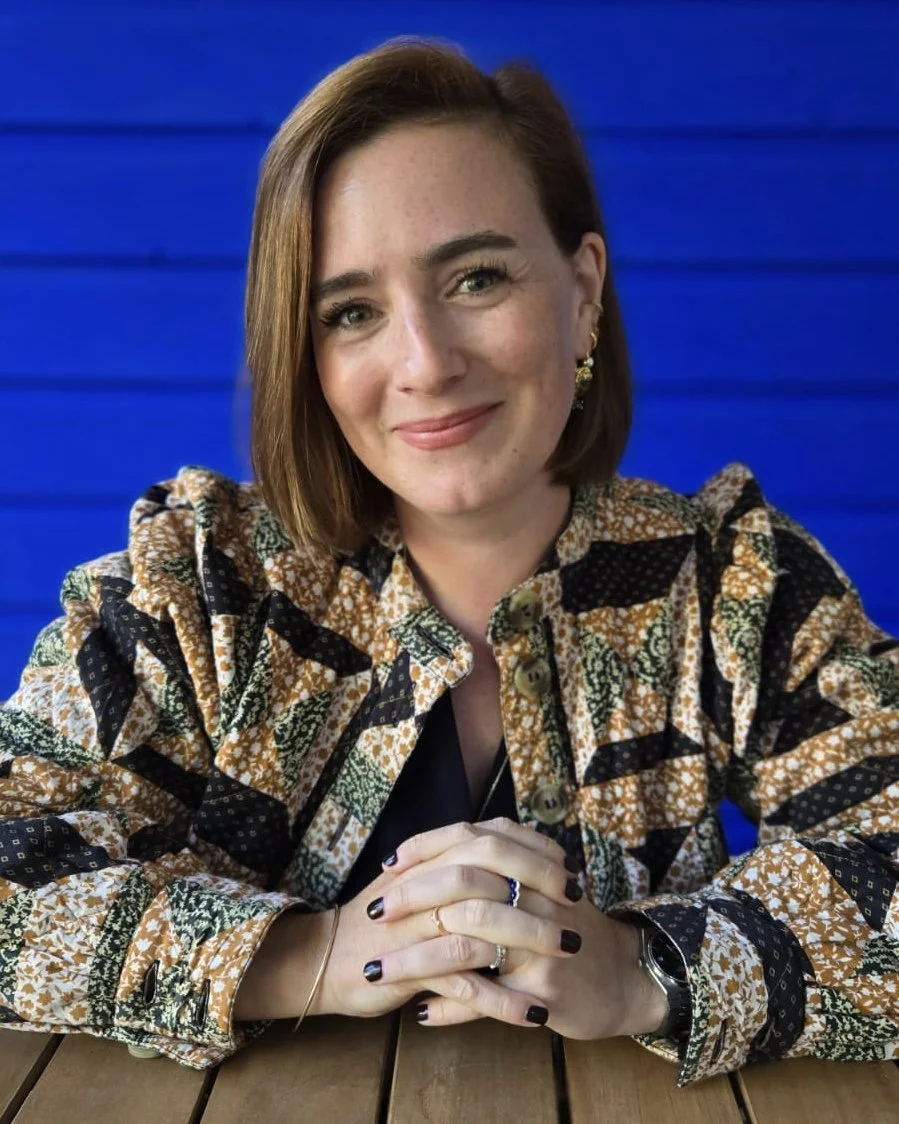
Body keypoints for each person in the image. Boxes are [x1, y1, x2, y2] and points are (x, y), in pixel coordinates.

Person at [1, 37, 897, 1089]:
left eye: (475, 276)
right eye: (351, 311)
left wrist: (641, 967)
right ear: (309, 358)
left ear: (581, 291)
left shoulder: (733, 588)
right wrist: (315, 952)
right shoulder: (193, 593)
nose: (424, 361)